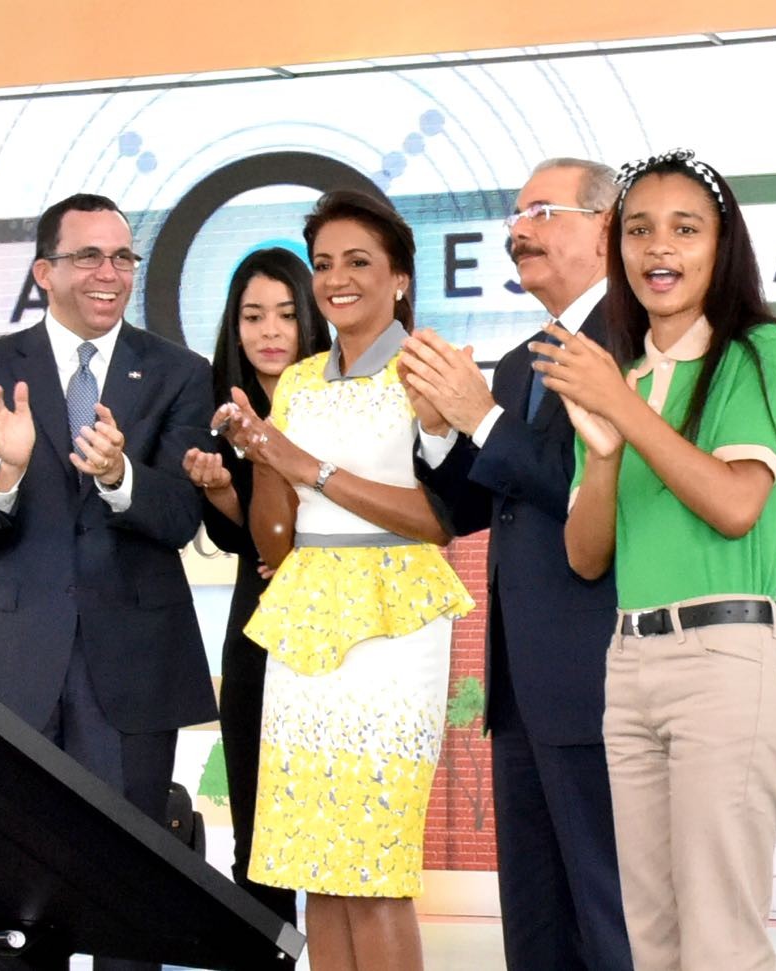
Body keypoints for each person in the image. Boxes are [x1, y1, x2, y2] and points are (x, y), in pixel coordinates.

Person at [534, 149, 776, 971]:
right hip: (630, 664)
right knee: (649, 942)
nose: (660, 249)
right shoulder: (618, 374)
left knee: (721, 942)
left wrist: (624, 409)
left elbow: (734, 503)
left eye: (685, 229)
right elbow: (585, 556)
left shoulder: (756, 352)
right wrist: (609, 451)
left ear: (722, 245)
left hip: (725, 662)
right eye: (641, 230)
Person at [0, 193, 218, 970]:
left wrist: (123, 474)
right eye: (90, 256)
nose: (111, 273)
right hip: (12, 664)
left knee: (128, 888)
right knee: (15, 893)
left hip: (129, 665)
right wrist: (9, 469)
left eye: (123, 257)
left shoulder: (178, 372)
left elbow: (182, 513)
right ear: (44, 271)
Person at [218, 190, 474, 971]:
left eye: (358, 261)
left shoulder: (430, 367)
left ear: (399, 277)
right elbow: (275, 538)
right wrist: (262, 448)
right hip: (306, 627)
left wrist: (311, 467)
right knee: (318, 869)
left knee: (374, 870)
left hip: (394, 631)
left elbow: (440, 518)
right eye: (324, 263)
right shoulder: (295, 381)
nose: (337, 279)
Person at [398, 159, 632, 970]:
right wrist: (437, 428)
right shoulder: (521, 359)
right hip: (520, 689)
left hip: (598, 678)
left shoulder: (634, 346)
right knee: (535, 924)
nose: (516, 230)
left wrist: (483, 417)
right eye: (513, 214)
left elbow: (590, 490)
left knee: (609, 915)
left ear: (606, 228)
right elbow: (471, 507)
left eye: (540, 210)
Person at [180, 247, 331, 947]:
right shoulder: (223, 417)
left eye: (285, 313)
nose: (270, 330)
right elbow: (249, 544)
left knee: (339, 848)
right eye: (251, 315)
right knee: (260, 849)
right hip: (256, 643)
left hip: (339, 644)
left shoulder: (346, 398)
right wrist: (218, 488)